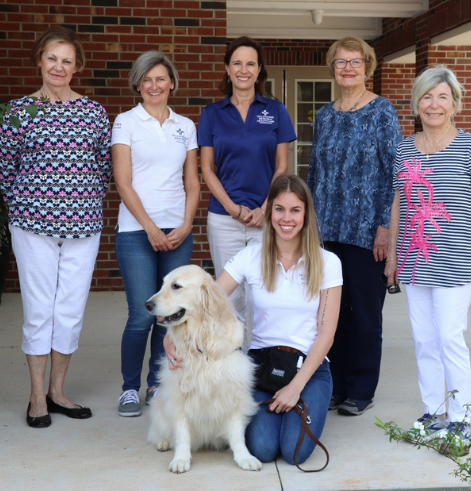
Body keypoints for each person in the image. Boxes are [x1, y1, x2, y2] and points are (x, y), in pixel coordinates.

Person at [167, 174, 342, 465]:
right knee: (261, 448)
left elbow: (326, 333)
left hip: (309, 368)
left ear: (306, 214)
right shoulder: (250, 256)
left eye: (295, 210)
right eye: (280, 209)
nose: (287, 218)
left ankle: (303, 399)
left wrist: (295, 387)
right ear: (269, 211)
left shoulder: (328, 262)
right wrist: (170, 333)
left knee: (294, 451)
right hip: (263, 365)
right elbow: (206, 297)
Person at [0, 26, 111, 427]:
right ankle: (35, 396)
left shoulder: (95, 113)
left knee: (70, 310)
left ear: (76, 66)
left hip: (84, 227)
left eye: (67, 60)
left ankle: (58, 391)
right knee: (39, 310)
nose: (58, 67)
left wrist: (79, 203)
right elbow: (4, 169)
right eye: (51, 58)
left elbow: (104, 168)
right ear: (39, 61)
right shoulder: (19, 111)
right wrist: (27, 209)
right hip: (32, 226)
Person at [384, 66, 471, 442]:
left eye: (442, 96)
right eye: (427, 96)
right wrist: (392, 257)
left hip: (458, 258)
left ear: (455, 104)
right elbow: (399, 203)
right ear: (417, 102)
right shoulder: (404, 148)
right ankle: (434, 411)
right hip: (415, 258)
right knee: (424, 339)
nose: (434, 104)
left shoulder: (470, 146)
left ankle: (462, 417)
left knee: (449, 336)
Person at [307, 36, 402, 416]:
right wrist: (308, 226)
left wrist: (385, 227)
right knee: (332, 313)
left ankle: (361, 389)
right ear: (332, 69)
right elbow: (315, 173)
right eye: (341, 62)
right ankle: (337, 385)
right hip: (327, 230)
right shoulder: (324, 115)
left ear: (368, 67)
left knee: (364, 315)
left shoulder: (382, 112)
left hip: (367, 233)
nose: (348, 68)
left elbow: (396, 173)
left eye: (355, 62)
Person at [112, 51, 200, 417]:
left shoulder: (185, 126)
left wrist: (186, 224)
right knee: (141, 315)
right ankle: (130, 388)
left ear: (172, 84)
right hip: (136, 231)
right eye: (146, 80)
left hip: (177, 231)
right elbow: (123, 181)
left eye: (160, 79)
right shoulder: (125, 122)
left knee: (170, 314)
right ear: (138, 84)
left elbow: (193, 181)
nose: (154, 85)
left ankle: (157, 382)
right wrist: (150, 227)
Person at [198, 36, 296, 343]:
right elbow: (206, 169)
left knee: (266, 294)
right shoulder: (212, 113)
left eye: (250, 63)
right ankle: (236, 371)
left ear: (259, 70)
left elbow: (282, 167)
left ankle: (266, 366)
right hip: (224, 219)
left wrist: (264, 209)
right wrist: (233, 208)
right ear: (227, 68)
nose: (243, 69)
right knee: (230, 298)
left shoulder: (275, 110)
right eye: (237, 63)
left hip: (267, 219)